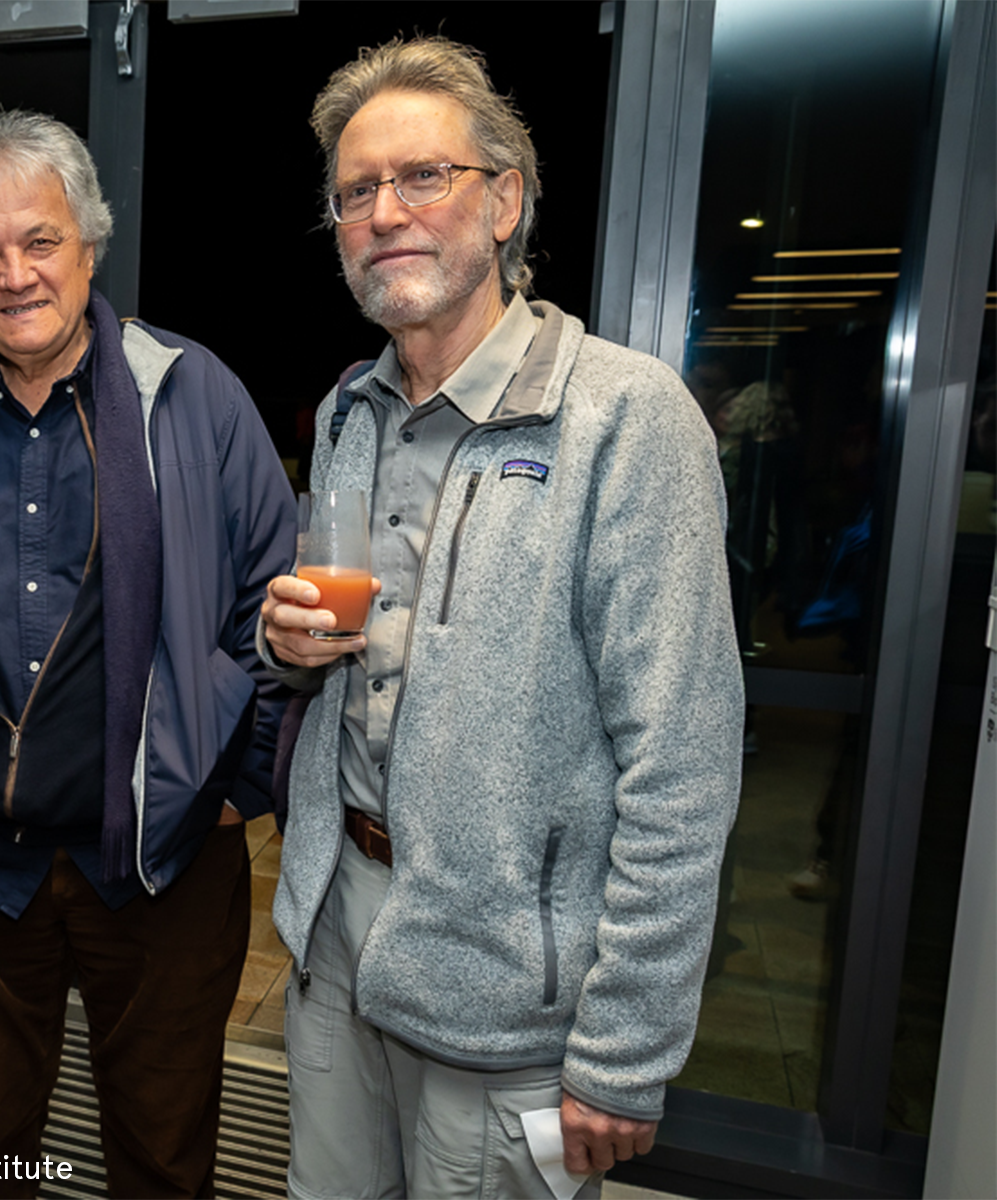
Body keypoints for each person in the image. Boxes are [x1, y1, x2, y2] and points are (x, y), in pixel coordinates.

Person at [261, 37, 743, 1199]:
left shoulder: (626, 420)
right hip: (338, 940)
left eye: (424, 177)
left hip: (507, 992)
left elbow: (682, 769)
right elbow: (360, 665)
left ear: (505, 201)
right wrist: (292, 650)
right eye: (357, 192)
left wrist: (624, 1052)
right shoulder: (349, 412)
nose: (386, 213)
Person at [0, 108, 295, 1198]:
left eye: (39, 240)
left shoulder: (196, 396)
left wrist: (236, 786)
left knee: (164, 1150)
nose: (14, 275)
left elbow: (274, 605)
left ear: (89, 242)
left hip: (163, 862)